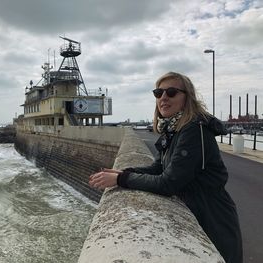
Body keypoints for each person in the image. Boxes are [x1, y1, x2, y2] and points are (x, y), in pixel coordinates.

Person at [89, 72, 243, 263]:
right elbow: (158, 168)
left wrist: (121, 180)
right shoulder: (173, 128)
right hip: (199, 210)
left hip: (213, 218)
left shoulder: (194, 130)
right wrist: (125, 172)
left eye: (171, 92)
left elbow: (168, 183)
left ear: (187, 98)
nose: (163, 98)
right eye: (158, 93)